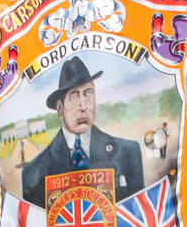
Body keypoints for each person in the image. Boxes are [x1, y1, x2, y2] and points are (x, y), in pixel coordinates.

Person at [21, 56, 145, 208]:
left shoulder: (128, 153)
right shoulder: (34, 171)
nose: (83, 106)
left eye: (88, 93)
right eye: (74, 97)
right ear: (60, 110)